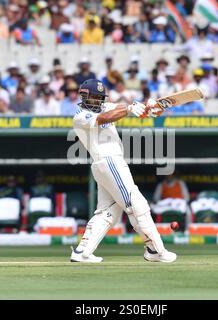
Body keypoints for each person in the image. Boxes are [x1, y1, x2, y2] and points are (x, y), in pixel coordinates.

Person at [70, 79, 176, 263]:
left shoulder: (105, 106)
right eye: (93, 97)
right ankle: (155, 250)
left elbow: (123, 107)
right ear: (84, 96)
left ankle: (82, 252)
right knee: (137, 206)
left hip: (106, 165)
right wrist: (128, 109)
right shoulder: (80, 116)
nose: (97, 100)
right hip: (109, 161)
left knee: (108, 212)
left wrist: (148, 107)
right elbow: (105, 118)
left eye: (100, 97)